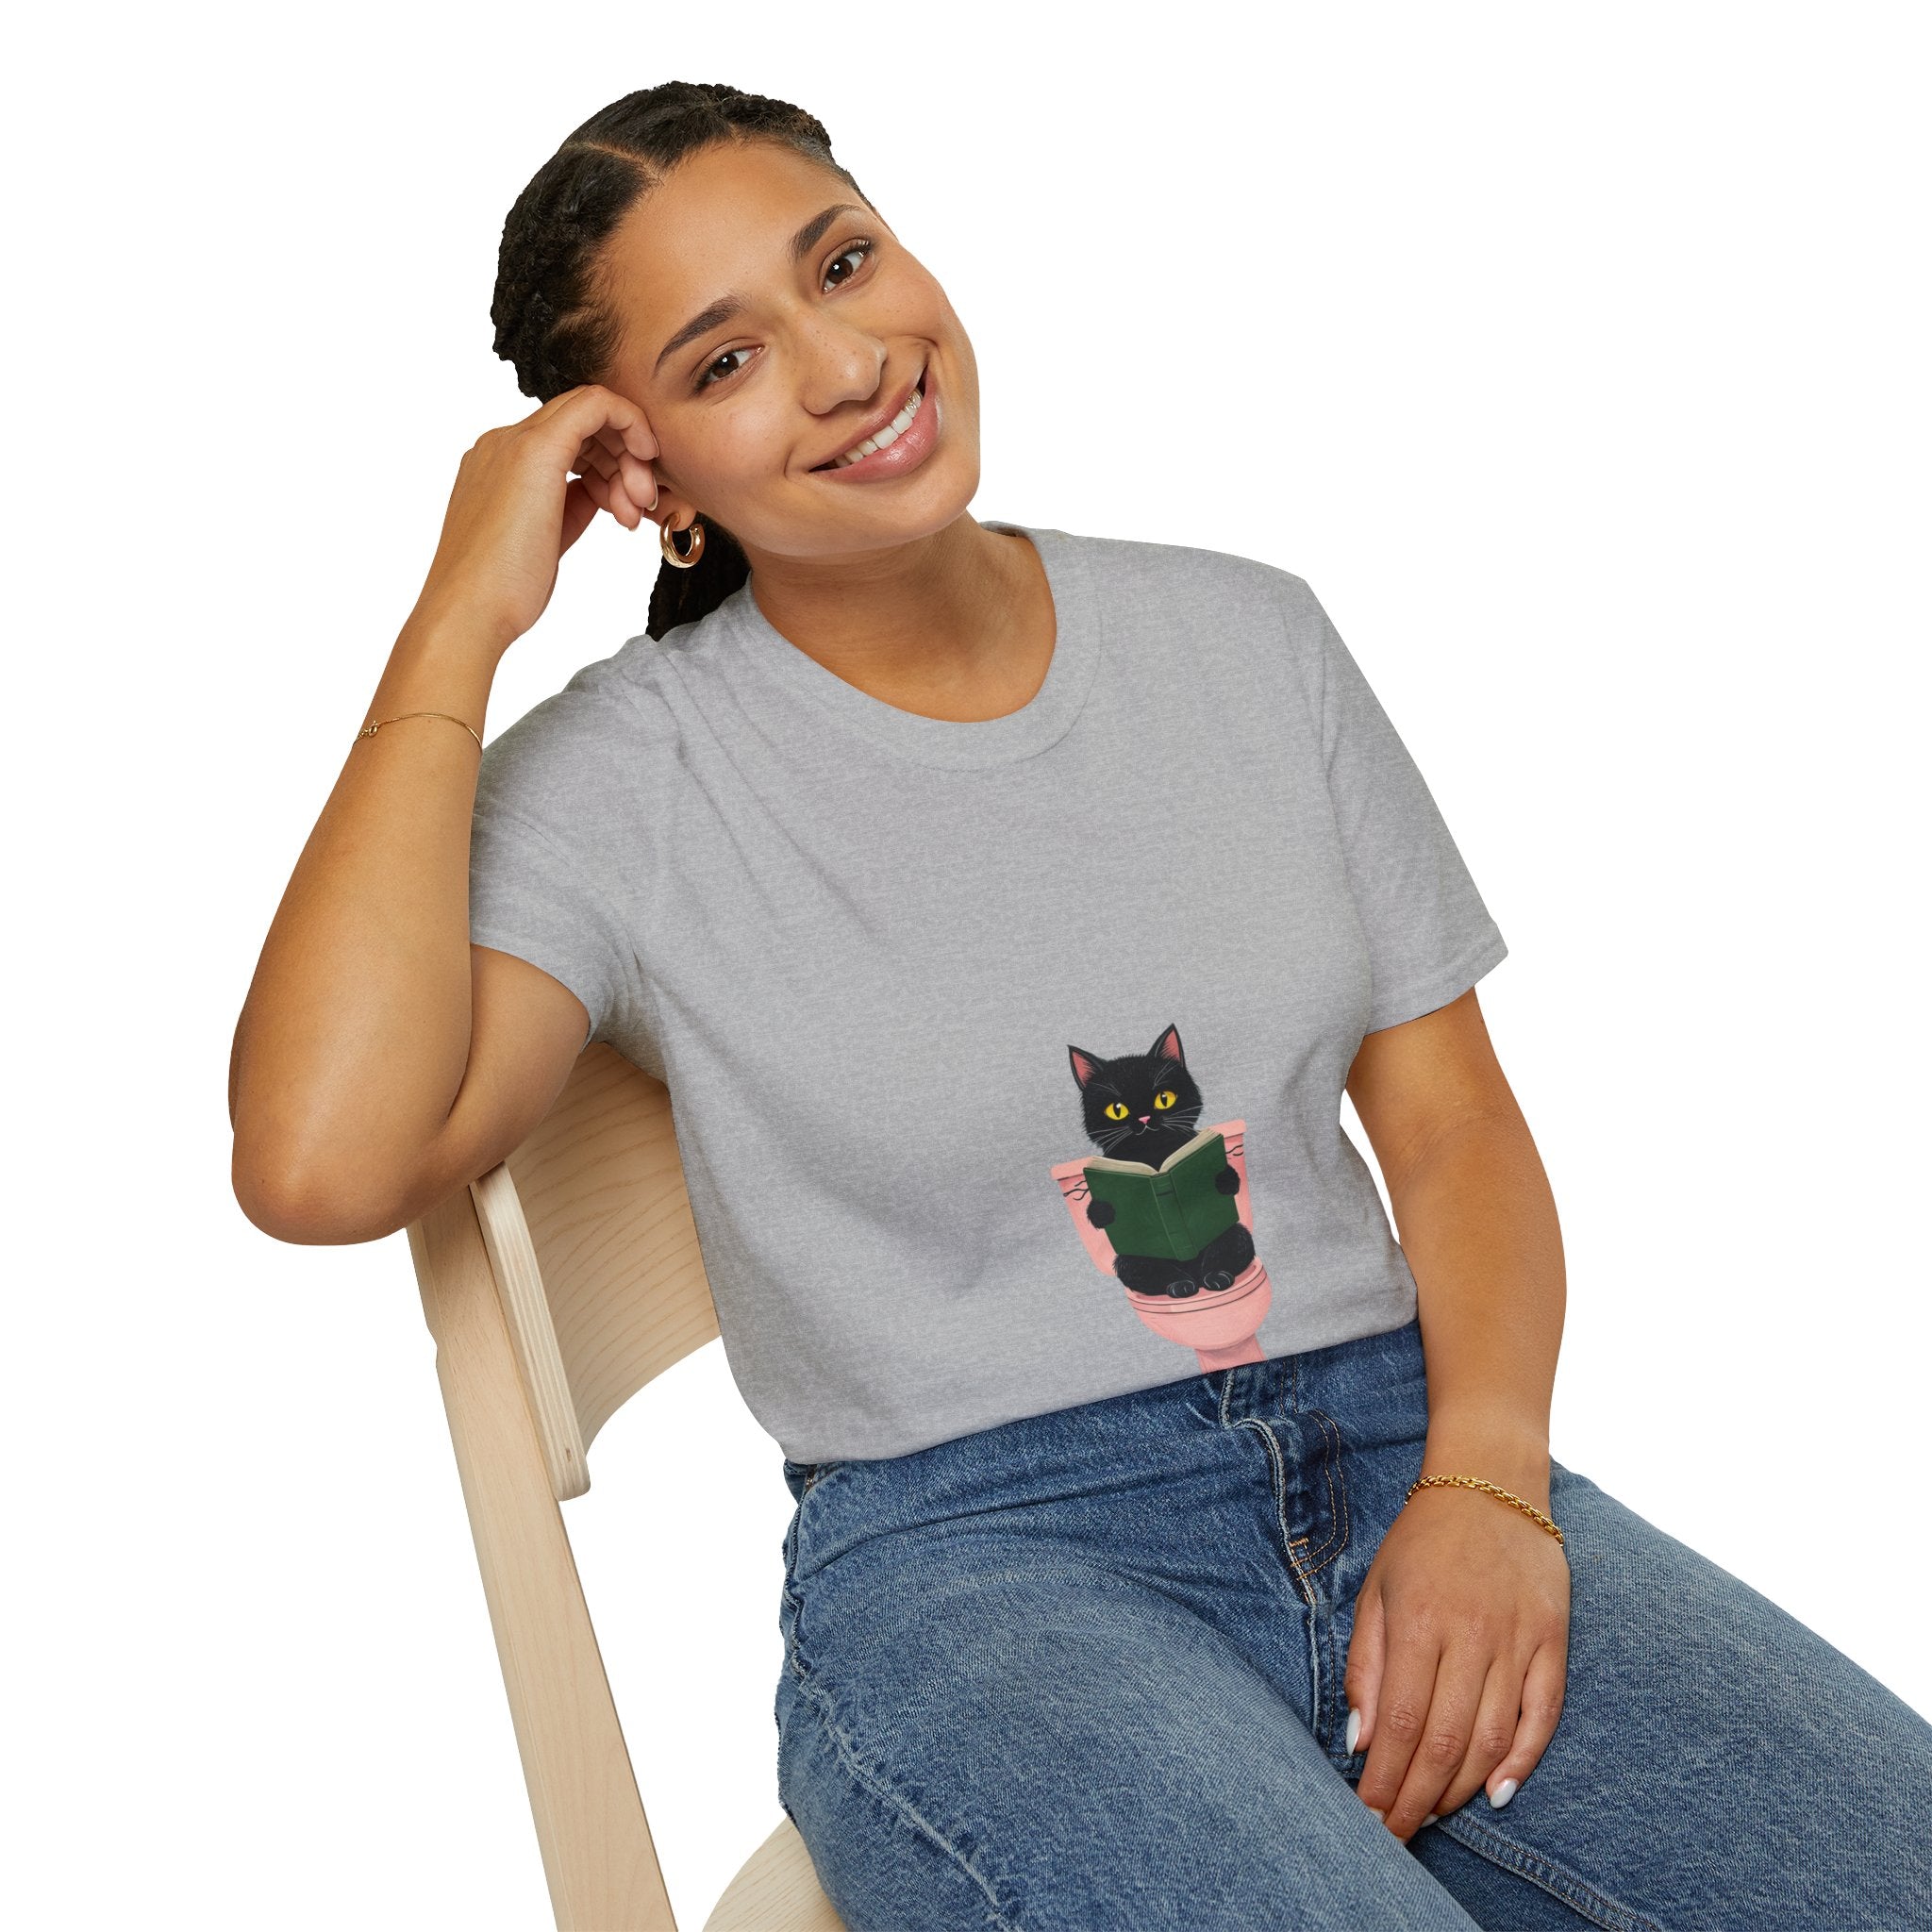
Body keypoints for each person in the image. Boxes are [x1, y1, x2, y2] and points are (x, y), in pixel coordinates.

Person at [228, 81, 1932, 1931]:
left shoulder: (1252, 640)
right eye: (726, 361)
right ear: (649, 480)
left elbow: (1451, 1130)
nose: (847, 365)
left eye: (843, 264)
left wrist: (1490, 1486)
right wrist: (458, 618)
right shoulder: (630, 780)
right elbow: (319, 1162)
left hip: (1407, 1450)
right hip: (983, 1569)